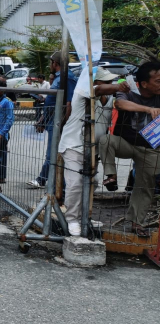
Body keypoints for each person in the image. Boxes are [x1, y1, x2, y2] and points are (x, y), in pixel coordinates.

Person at [58, 68, 122, 236]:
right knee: (75, 184)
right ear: (94, 83)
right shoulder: (83, 94)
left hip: (93, 149)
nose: (110, 85)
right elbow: (98, 90)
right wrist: (119, 87)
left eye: (111, 82)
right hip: (74, 145)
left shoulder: (109, 99)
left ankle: (84, 216)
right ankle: (72, 219)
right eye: (106, 82)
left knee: (91, 183)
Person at [100, 62, 160, 237]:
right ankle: (111, 176)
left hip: (150, 148)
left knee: (145, 186)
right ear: (143, 83)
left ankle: (137, 223)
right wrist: (148, 109)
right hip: (126, 143)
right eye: (157, 81)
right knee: (106, 141)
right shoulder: (128, 91)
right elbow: (120, 104)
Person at [28, 52, 78, 188]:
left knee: (53, 155)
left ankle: (54, 187)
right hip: (51, 120)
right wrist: (43, 120)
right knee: (52, 155)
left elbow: (69, 104)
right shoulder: (58, 78)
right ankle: (55, 187)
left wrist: (62, 125)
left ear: (55, 63)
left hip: (58, 123)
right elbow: (52, 103)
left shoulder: (66, 77)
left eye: (51, 63)